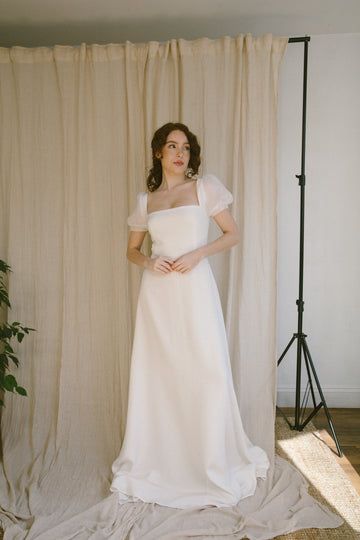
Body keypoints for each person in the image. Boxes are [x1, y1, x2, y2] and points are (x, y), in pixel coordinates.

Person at [110, 122, 270, 509]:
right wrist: (149, 261)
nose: (180, 153)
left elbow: (232, 233)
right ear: (158, 153)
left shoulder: (205, 188)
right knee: (160, 375)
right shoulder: (146, 201)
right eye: (172, 146)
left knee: (207, 371)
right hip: (158, 296)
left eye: (185, 147)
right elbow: (131, 250)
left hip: (195, 290)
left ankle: (210, 461)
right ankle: (162, 460)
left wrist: (198, 253)